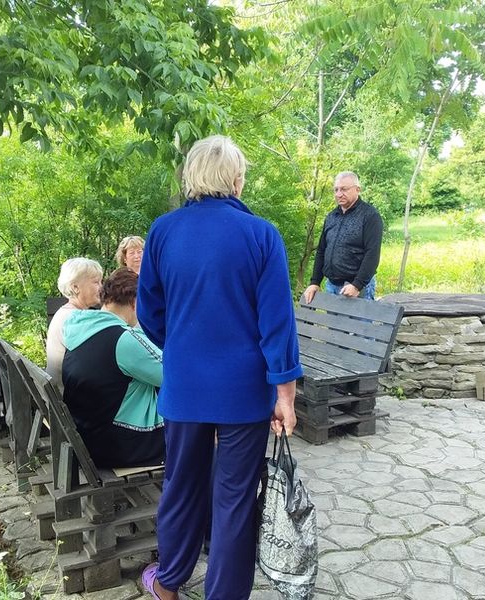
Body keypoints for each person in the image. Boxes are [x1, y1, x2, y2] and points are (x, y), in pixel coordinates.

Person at [137, 135, 302, 600]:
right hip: (243, 393)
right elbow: (277, 323)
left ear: (191, 177)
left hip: (185, 388)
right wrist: (284, 395)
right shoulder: (260, 235)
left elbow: (150, 311)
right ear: (236, 179)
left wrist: (185, 348)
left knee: (181, 485)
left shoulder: (163, 232)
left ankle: (168, 583)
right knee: (233, 500)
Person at [62, 268, 164, 467]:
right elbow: (174, 376)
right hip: (119, 446)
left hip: (88, 437)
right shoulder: (124, 340)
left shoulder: (80, 327)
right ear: (136, 303)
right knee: (196, 424)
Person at [303, 171, 383, 304]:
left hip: (357, 288)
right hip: (332, 286)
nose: (339, 194)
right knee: (334, 325)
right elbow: (322, 250)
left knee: (359, 325)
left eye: (344, 189)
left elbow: (372, 254)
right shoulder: (332, 216)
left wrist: (357, 285)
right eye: (336, 189)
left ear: (357, 189)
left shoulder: (370, 216)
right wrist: (315, 282)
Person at [45, 257, 103, 392]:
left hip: (60, 396)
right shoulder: (75, 319)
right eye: (96, 282)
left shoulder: (66, 312)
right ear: (75, 287)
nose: (101, 287)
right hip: (70, 401)